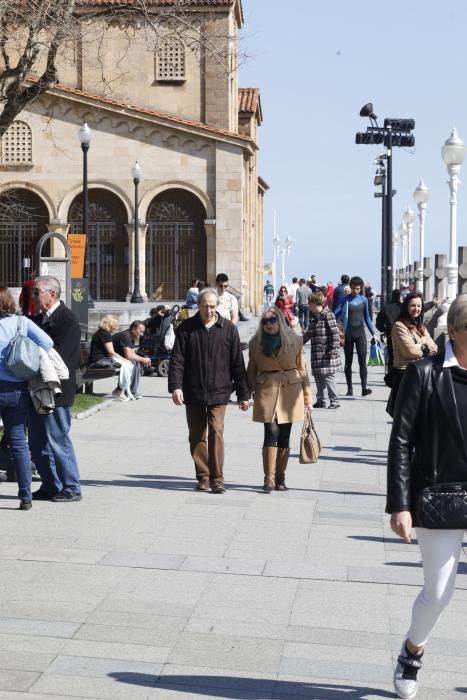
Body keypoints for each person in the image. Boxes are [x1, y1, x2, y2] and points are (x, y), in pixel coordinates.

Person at [386, 293, 467, 700]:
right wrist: (399, 504)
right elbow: (400, 441)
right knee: (438, 594)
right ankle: (412, 651)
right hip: (440, 494)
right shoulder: (425, 373)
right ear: (452, 331)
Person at [168, 287, 250, 493]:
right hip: (193, 391)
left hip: (219, 390)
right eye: (205, 306)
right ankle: (204, 476)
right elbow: (177, 360)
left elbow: (237, 364)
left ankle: (218, 478)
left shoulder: (228, 329)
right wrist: (176, 387)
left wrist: (243, 394)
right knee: (196, 435)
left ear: (218, 306)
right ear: (199, 305)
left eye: (212, 306)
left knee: (217, 432)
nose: (209, 310)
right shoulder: (187, 328)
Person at [28, 276, 82, 502]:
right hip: (37, 389)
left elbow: (60, 357)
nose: (33, 296)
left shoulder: (66, 320)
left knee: (58, 439)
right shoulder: (40, 318)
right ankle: (50, 484)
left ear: (52, 293)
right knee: (37, 441)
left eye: (36, 291)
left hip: (56, 390)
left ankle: (71, 487)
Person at [247, 306, 312, 492]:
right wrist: (245, 394)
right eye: (265, 321)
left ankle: (280, 477)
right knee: (271, 432)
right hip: (267, 390)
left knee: (285, 435)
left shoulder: (295, 341)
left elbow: (303, 371)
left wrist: (308, 400)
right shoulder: (255, 344)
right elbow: (251, 370)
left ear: (280, 321)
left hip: (290, 392)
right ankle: (269, 477)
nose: (268, 324)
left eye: (272, 320)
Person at [0, 286, 53, 509]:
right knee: (19, 443)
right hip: (16, 389)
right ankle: (25, 497)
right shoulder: (22, 323)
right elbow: (48, 343)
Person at [386, 292, 437, 417]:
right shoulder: (399, 326)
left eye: (419, 306)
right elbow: (410, 351)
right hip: (405, 375)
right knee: (405, 419)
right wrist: (424, 347)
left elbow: (434, 348)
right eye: (413, 306)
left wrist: (420, 347)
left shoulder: (421, 327)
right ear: (406, 307)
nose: (416, 309)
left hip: (422, 374)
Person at [335, 275, 377, 397]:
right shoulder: (345, 300)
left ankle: (364, 388)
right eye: (353, 288)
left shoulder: (364, 300)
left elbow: (368, 318)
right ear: (350, 287)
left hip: (360, 334)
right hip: (348, 334)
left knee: (362, 361)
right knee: (348, 361)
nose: (355, 291)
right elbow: (335, 314)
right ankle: (349, 389)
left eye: (358, 288)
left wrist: (374, 333)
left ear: (361, 288)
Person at [303, 290, 342, 409]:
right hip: (317, 354)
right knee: (318, 377)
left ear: (314, 303)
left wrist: (333, 351)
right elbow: (308, 334)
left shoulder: (328, 315)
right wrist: (296, 343)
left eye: (309, 303)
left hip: (327, 354)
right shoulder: (315, 318)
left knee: (328, 377)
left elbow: (335, 334)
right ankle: (321, 400)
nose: (308, 305)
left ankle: (334, 401)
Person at [112, 320, 151, 400]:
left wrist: (144, 359)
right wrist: (143, 359)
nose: (142, 334)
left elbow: (133, 354)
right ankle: (120, 390)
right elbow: (129, 355)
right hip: (107, 359)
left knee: (135, 362)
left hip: (115, 358)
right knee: (132, 362)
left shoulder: (130, 337)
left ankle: (131, 391)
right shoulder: (125, 336)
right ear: (133, 329)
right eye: (140, 331)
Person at [375, 289, 402, 371]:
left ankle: (391, 374)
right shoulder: (403, 307)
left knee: (391, 354)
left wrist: (384, 329)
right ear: (399, 297)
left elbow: (378, 322)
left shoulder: (386, 308)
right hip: (402, 334)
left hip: (390, 333)